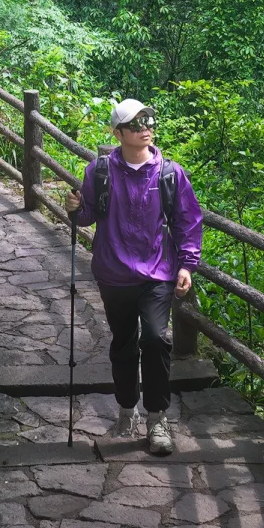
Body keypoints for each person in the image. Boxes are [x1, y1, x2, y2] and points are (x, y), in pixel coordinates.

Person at [65, 98, 204, 456]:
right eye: (136, 122)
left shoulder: (170, 174)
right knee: (123, 343)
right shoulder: (100, 171)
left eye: (149, 119)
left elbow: (187, 221)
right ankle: (127, 411)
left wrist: (187, 265)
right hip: (114, 273)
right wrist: (75, 210)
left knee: (156, 340)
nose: (146, 126)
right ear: (118, 133)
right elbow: (87, 216)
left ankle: (157, 419)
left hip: (158, 273)